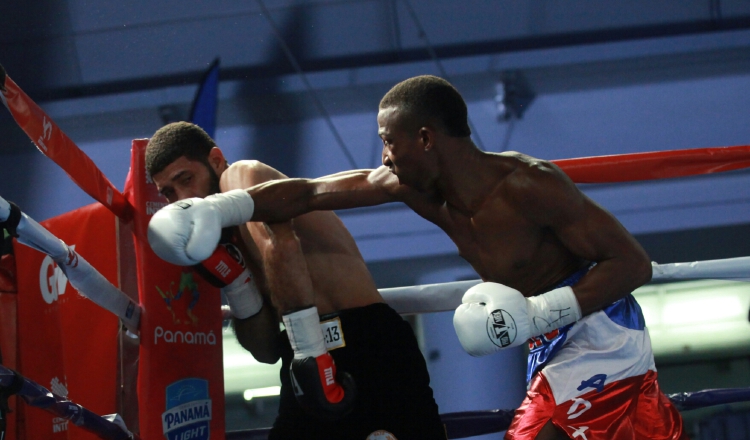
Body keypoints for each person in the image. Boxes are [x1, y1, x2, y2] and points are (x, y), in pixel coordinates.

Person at [147, 76, 688, 439]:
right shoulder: (415, 187)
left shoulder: (529, 184)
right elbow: (308, 193)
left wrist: (541, 313)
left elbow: (631, 264)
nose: (383, 156)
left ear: (425, 137)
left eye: (389, 141)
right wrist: (222, 209)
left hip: (597, 328)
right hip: (545, 342)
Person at [144, 122, 446, 440]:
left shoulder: (243, 178)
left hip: (365, 343)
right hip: (304, 357)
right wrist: (236, 284)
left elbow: (284, 245)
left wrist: (309, 351)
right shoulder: (223, 242)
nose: (183, 199)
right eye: (169, 193)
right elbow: (265, 351)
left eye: (186, 180)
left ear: (216, 160)